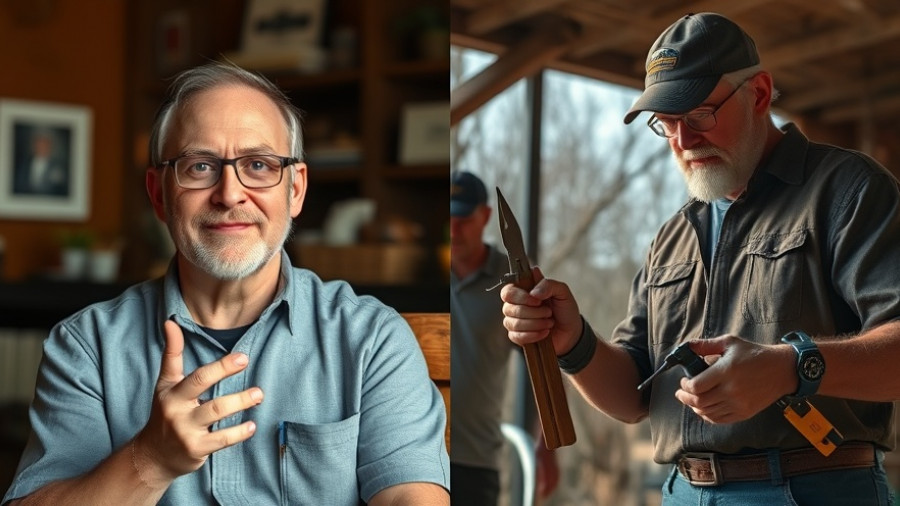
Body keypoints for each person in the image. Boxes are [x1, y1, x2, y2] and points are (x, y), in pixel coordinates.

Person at [2, 62, 449, 506]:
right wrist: (151, 459)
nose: (230, 193)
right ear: (159, 194)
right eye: (200, 166)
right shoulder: (86, 347)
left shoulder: (371, 337)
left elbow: (412, 495)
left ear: (295, 190)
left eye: (258, 165)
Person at [501, 12, 900, 505]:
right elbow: (634, 399)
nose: (683, 142)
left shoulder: (848, 191)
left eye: (698, 116)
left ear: (758, 94)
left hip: (812, 489)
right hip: (682, 492)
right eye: (666, 124)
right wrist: (572, 341)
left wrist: (788, 367)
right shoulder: (672, 236)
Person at [450, 171, 557, 505]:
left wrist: (547, 447)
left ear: (485, 216)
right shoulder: (421, 273)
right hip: (413, 453)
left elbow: (545, 365)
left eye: (464, 219)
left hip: (475, 462)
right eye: (448, 219)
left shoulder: (512, 283)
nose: (454, 230)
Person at [12, 127, 69, 197]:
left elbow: (60, 189)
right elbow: (18, 184)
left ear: (50, 147)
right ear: (34, 146)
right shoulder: (24, 164)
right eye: (39, 145)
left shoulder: (58, 167)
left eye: (44, 145)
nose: (41, 148)